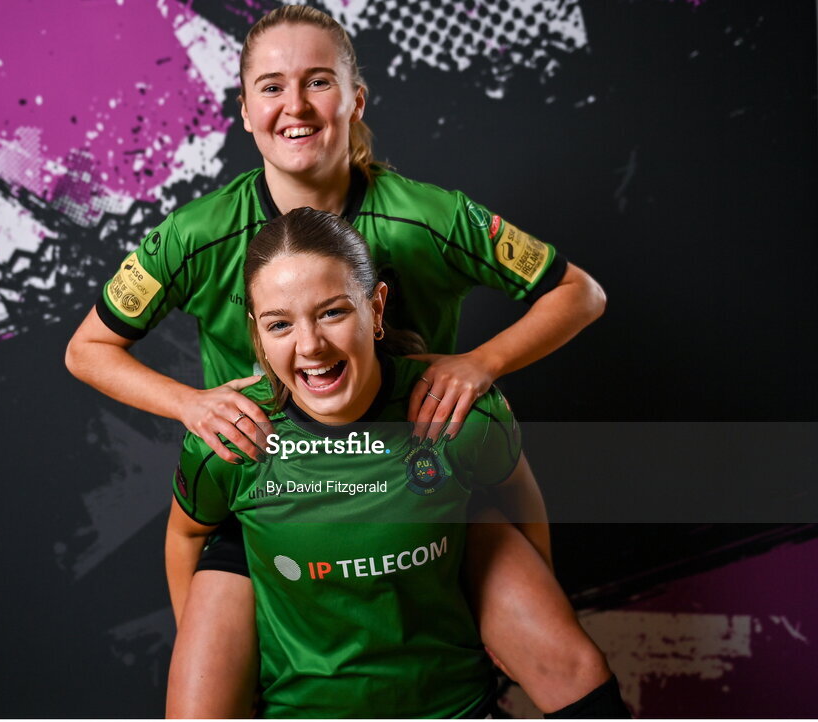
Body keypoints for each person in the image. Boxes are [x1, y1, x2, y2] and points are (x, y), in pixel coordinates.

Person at [66, 4, 622, 717]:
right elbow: (88, 348)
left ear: (355, 99)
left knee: (567, 661)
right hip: (270, 503)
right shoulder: (198, 234)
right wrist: (191, 403)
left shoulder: (429, 218)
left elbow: (581, 293)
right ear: (244, 109)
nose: (294, 105)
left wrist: (480, 363)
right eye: (270, 86)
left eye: (318, 81)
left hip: (424, 481)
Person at [166, 207, 620, 718]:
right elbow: (185, 534)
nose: (311, 346)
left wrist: (535, 604)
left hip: (449, 691)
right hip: (302, 697)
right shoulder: (232, 439)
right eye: (279, 324)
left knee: (580, 673)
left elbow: (516, 492)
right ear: (257, 333)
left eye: (332, 312)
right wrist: (210, 648)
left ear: (376, 308)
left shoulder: (458, 415)